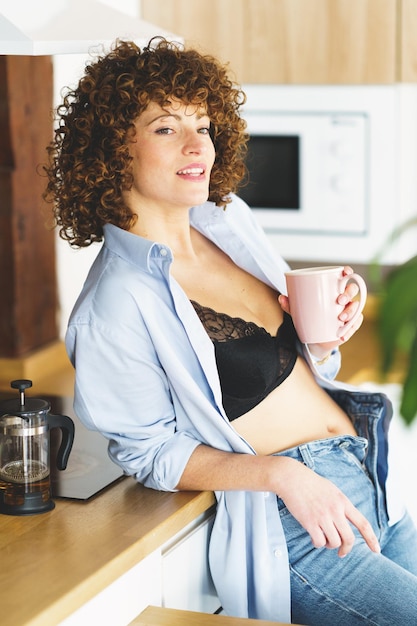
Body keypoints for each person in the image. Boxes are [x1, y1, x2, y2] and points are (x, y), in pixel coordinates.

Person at [43, 37, 417, 625]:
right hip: (298, 522)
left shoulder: (226, 222)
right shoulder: (116, 300)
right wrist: (282, 474)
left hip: (367, 478)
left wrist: (324, 336)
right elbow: (149, 452)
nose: (199, 146)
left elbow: (289, 365)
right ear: (114, 148)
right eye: (167, 128)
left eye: (204, 124)